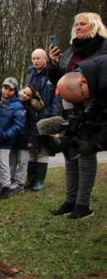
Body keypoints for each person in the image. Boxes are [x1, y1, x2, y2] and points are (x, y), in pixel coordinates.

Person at [47, 12, 107, 219]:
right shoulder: (70, 51)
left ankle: (83, 204)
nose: (78, 27)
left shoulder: (103, 48)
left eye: (84, 24)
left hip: (92, 109)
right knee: (69, 153)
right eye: (77, 24)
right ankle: (70, 200)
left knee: (85, 153)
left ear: (94, 26)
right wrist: (53, 64)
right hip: (66, 107)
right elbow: (58, 79)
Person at [0, 77, 26, 200]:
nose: (7, 92)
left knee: (3, 163)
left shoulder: (17, 105)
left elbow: (19, 125)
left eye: (10, 90)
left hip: (5, 140)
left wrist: (6, 135)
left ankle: (6, 187)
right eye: (5, 88)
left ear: (15, 91)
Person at [24, 49, 57, 191]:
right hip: (31, 116)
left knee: (43, 148)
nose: (35, 61)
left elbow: (55, 98)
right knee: (31, 148)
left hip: (46, 115)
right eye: (33, 58)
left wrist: (53, 118)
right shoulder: (30, 74)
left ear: (45, 58)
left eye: (38, 58)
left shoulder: (52, 73)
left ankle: (40, 180)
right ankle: (30, 179)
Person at [9, 85, 44, 192]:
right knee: (12, 161)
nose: (24, 95)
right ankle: (11, 180)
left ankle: (20, 183)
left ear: (30, 97)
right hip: (14, 137)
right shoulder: (14, 103)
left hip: (24, 138)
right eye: (24, 92)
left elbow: (33, 124)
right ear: (21, 90)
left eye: (28, 95)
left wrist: (30, 139)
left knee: (22, 161)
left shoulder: (29, 108)